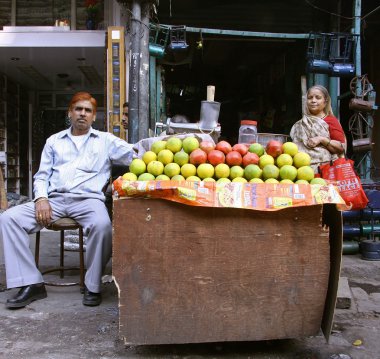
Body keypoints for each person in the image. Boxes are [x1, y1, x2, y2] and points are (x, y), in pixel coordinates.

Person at [0, 92, 135, 309]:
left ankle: (92, 285)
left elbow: (136, 153)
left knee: (103, 226)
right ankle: (31, 283)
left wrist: (170, 140)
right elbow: (42, 175)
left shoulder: (106, 141)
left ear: (93, 117)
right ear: (70, 113)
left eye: (88, 110)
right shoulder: (54, 141)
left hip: (88, 201)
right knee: (8, 218)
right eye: (78, 109)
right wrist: (41, 198)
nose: (83, 113)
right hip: (54, 200)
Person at [290, 85, 346, 171]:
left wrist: (321, 139)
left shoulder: (331, 121)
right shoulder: (301, 123)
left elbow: (341, 148)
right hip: (301, 170)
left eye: (318, 98)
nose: (313, 100)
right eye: (310, 98)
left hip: (325, 170)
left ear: (325, 101)